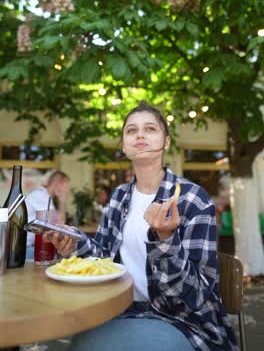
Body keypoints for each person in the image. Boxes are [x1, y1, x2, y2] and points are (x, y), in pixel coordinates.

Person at [44, 102, 238, 351]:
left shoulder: (192, 199)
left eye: (150, 129)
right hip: (119, 311)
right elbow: (105, 262)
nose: (140, 135)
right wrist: (75, 243)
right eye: (131, 131)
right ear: (125, 146)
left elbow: (195, 297)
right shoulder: (118, 198)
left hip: (180, 321)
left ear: (166, 142)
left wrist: (165, 241)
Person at [25, 170, 71, 258]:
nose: (68, 191)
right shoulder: (42, 196)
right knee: (55, 256)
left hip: (28, 246)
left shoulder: (43, 195)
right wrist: (62, 202)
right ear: (59, 184)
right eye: (67, 187)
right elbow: (58, 227)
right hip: (26, 249)